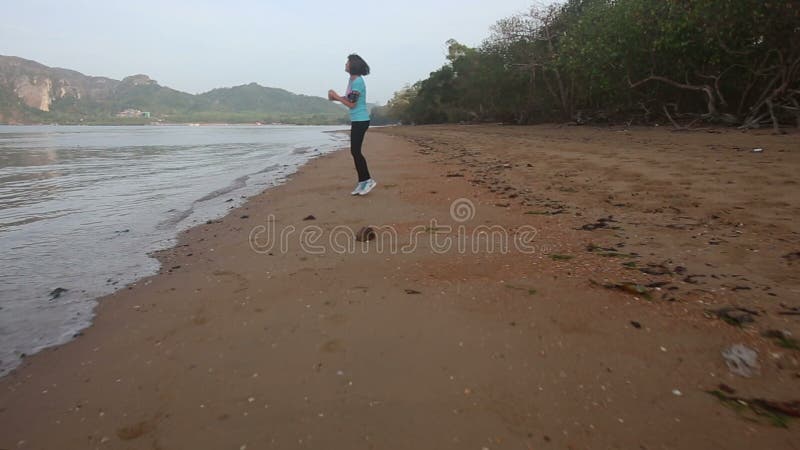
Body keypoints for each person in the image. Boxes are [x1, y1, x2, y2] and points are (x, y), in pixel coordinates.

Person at [328, 54, 376, 196]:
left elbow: (352, 104)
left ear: (353, 65)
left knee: (355, 151)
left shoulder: (358, 82)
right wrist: (334, 98)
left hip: (361, 120)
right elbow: (349, 99)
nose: (345, 64)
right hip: (357, 120)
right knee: (354, 151)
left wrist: (336, 96)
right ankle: (362, 182)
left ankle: (367, 180)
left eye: (347, 62)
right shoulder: (352, 79)